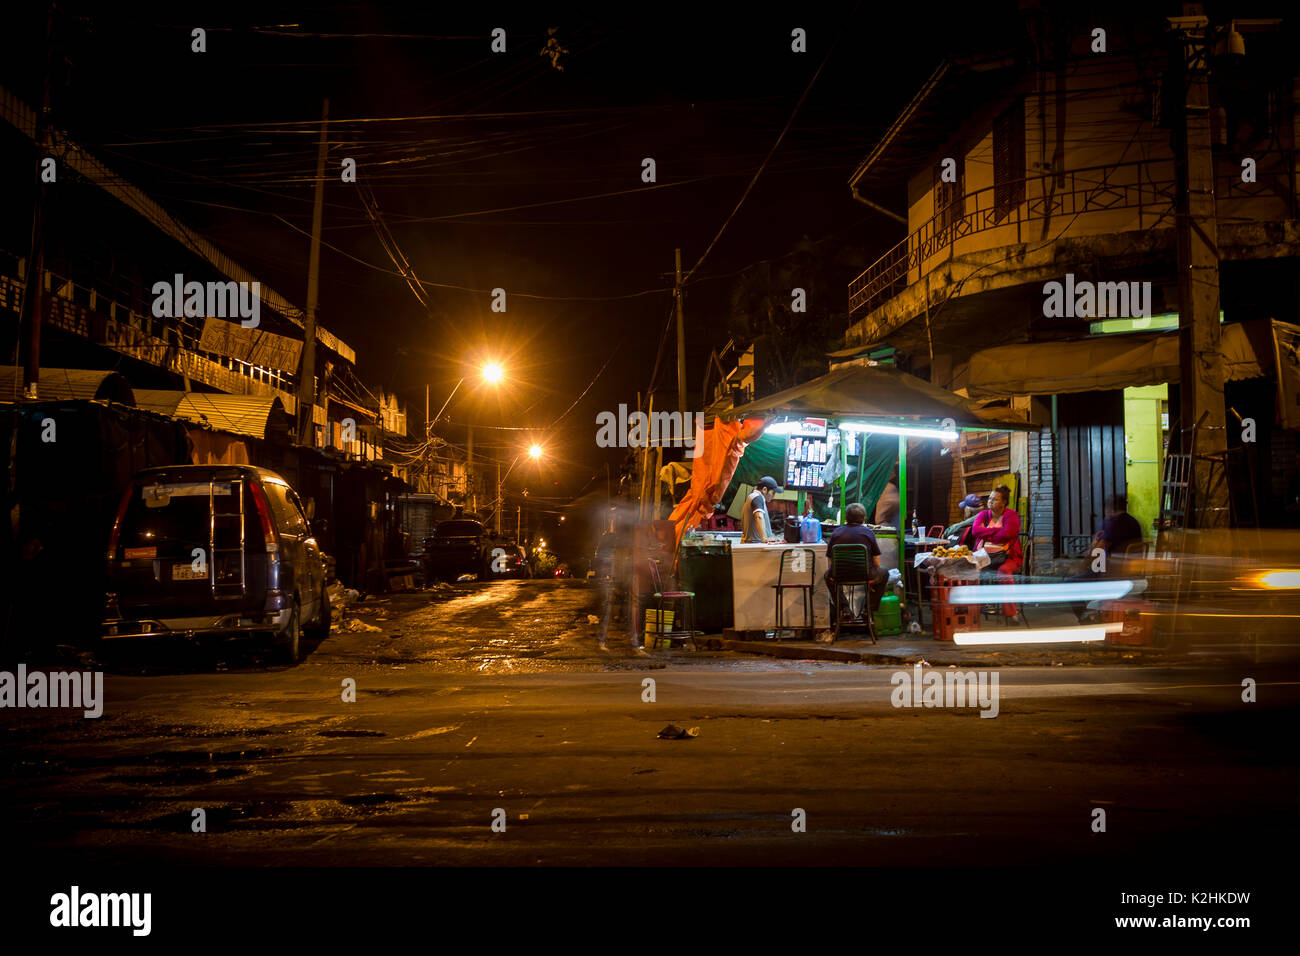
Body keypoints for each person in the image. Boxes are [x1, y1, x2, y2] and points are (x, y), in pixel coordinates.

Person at [1067, 493, 1144, 621]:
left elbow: (1098, 551)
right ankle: (1098, 615)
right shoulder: (1134, 522)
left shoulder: (1112, 523)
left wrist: (1091, 549)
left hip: (1110, 574)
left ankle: (1085, 620)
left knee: (1070, 583)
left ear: (1109, 509)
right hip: (1131, 572)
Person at [825, 502, 890, 624]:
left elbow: (830, 563)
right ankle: (868, 609)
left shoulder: (836, 533)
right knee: (884, 573)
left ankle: (843, 608)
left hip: (840, 575)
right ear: (864, 518)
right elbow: (876, 563)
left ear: (845, 518)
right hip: (865, 575)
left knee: (827, 575)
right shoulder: (868, 533)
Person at [973, 484, 1022, 621]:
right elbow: (975, 531)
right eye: (989, 498)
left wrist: (986, 534)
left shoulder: (1011, 515)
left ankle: (1011, 613)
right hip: (984, 556)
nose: (990, 501)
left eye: (995, 499)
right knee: (969, 569)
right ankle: (976, 608)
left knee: (1003, 571)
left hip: (1008, 557)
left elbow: (1007, 535)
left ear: (1004, 502)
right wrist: (996, 531)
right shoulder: (983, 515)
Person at [741, 476, 782, 543]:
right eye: (773, 493)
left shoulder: (755, 497)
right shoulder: (757, 497)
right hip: (754, 546)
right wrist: (764, 538)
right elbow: (759, 517)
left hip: (754, 544)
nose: (773, 496)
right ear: (764, 490)